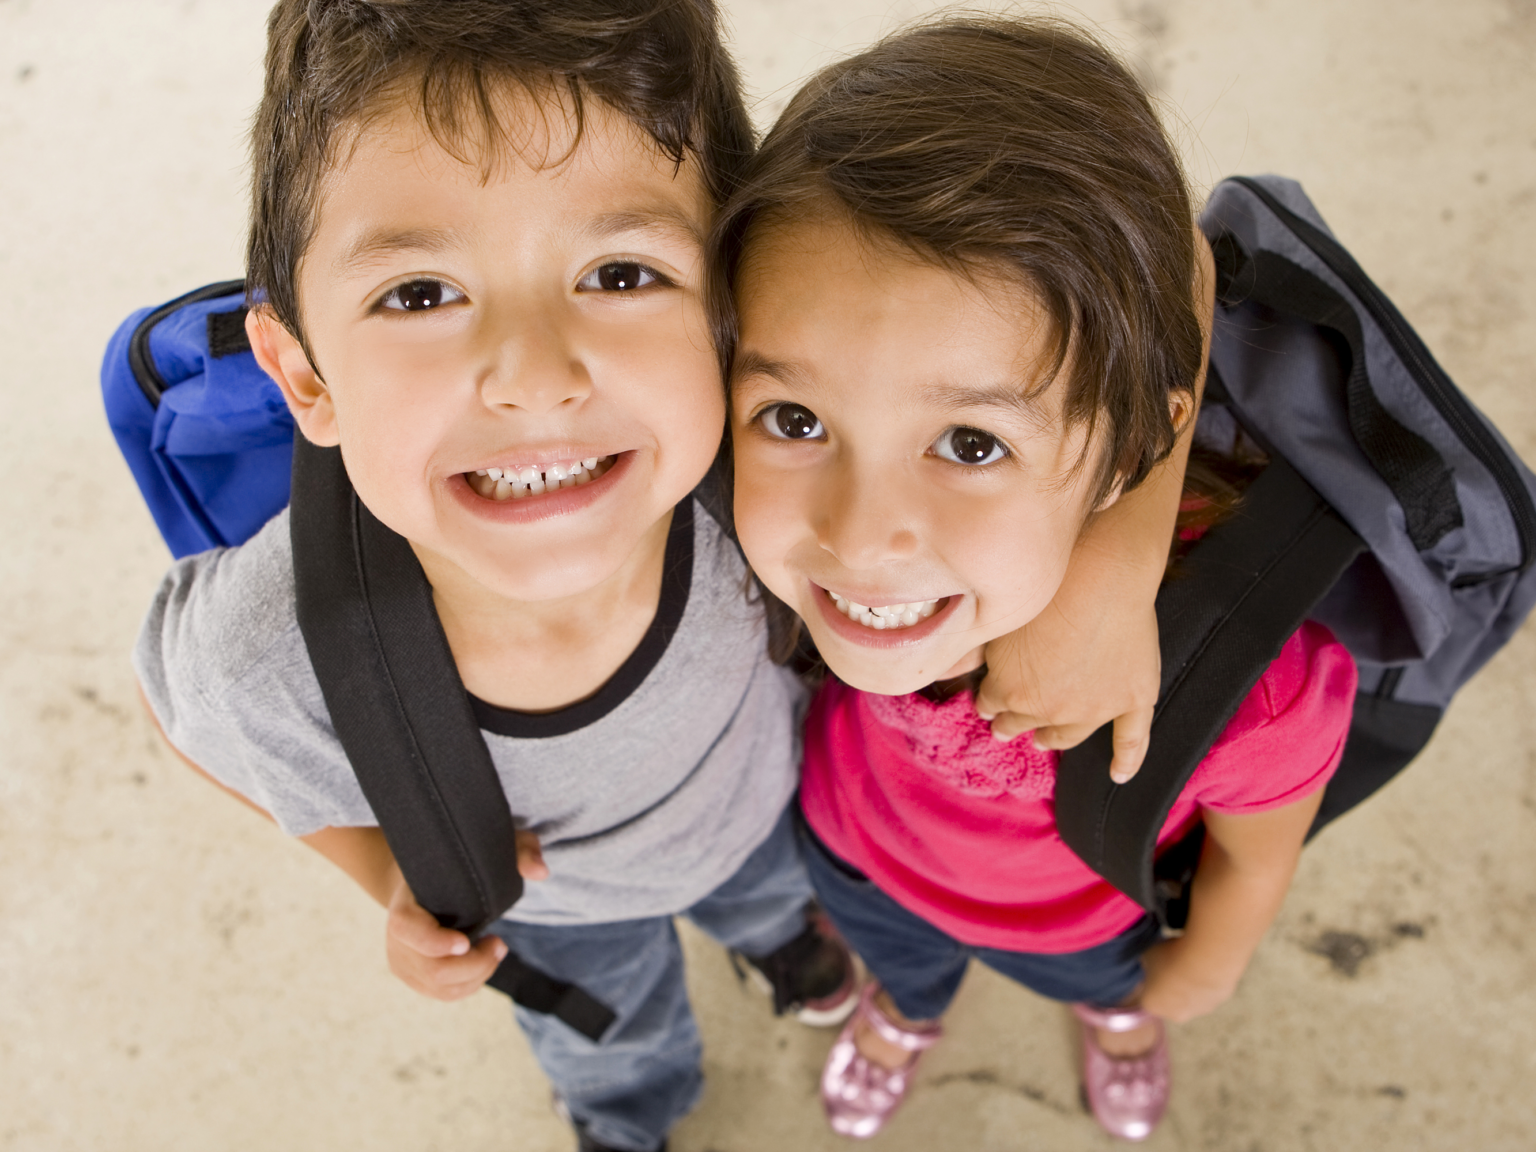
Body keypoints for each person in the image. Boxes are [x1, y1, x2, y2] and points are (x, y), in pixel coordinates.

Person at [131, 3, 1178, 1150]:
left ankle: (791, 951)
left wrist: (1113, 571)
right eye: (421, 293)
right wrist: (383, 870)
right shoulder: (272, 645)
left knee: (783, 905)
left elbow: (1176, 257)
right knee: (613, 1043)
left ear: (729, 304)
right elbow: (193, 714)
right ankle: (630, 1124)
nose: (535, 379)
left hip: (765, 817)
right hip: (556, 914)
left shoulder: (773, 472)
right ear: (302, 374)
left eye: (621, 271)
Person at [716, 14, 1358, 1143]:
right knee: (904, 970)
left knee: (1112, 999)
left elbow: (1257, 857)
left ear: (1133, 447)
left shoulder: (1251, 685)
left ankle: (1115, 1030)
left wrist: (1201, 969)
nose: (863, 538)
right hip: (857, 850)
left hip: (1086, 927)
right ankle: (906, 1015)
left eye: (970, 445)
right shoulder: (729, 494)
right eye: (796, 417)